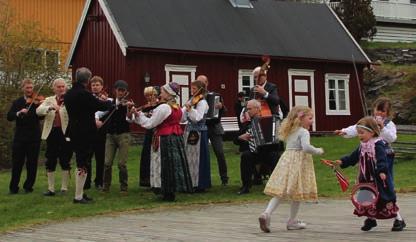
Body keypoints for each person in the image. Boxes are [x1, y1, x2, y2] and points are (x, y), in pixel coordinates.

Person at [258, 106, 324, 232]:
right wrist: (318, 150)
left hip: (286, 161)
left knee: (280, 192)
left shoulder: (290, 131)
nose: (312, 121)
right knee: (296, 193)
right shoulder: (304, 132)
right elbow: (305, 148)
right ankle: (292, 221)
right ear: (301, 118)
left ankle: (266, 213)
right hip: (298, 164)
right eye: (310, 118)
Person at [333, 117, 405, 232]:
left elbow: (382, 159)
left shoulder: (378, 144)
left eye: (362, 133)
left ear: (372, 132)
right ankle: (371, 219)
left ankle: (398, 219)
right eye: (358, 133)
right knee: (366, 198)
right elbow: (353, 157)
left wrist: (382, 171)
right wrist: (343, 161)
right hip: (366, 177)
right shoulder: (362, 145)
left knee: (384, 199)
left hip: (378, 177)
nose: (359, 136)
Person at [131, 82, 193, 201]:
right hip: (176, 138)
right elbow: (181, 119)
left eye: (163, 91)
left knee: (164, 164)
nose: (161, 93)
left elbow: (151, 123)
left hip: (165, 138)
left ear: (169, 93)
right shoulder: (176, 106)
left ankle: (166, 191)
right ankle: (171, 190)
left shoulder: (164, 107)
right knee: (173, 165)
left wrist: (138, 115)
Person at [64, 67, 112, 204]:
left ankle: (80, 193)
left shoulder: (69, 94)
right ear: (88, 80)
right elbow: (101, 106)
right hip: (84, 132)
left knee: (81, 160)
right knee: (82, 162)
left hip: (73, 130)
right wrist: (108, 101)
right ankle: (78, 196)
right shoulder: (84, 94)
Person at [36, 78, 72, 196]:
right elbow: (38, 111)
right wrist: (50, 108)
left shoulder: (70, 99)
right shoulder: (49, 100)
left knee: (65, 159)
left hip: (65, 132)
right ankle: (51, 189)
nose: (61, 89)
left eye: (63, 86)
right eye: (59, 87)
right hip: (52, 133)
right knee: (50, 159)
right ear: (54, 88)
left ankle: (64, 188)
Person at [237, 100, 280, 195]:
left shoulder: (272, 120)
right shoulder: (247, 123)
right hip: (254, 152)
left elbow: (278, 142)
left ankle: (275, 186)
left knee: (274, 156)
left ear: (257, 109)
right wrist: (240, 137)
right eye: (247, 109)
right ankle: (246, 186)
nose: (247, 111)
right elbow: (236, 139)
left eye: (249, 109)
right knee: (245, 156)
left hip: (268, 152)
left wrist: (276, 138)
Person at [7, 78, 42, 194]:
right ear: (23, 88)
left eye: (31, 88)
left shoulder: (37, 102)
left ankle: (28, 186)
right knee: (17, 163)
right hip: (20, 137)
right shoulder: (17, 102)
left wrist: (44, 109)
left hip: (34, 137)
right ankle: (13, 188)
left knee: (32, 163)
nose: (29, 90)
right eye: (27, 87)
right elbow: (9, 116)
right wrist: (19, 112)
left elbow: (41, 117)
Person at [197, 75, 229, 185]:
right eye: (199, 82)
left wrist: (221, 106)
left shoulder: (216, 96)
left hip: (214, 127)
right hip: (201, 128)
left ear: (207, 83)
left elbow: (224, 110)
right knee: (202, 154)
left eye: (203, 82)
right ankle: (202, 179)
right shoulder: (195, 97)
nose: (201, 85)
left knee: (219, 152)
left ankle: (224, 178)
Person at [102, 80, 133, 194]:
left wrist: (129, 110)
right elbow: (100, 113)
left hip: (123, 134)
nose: (120, 93)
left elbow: (130, 120)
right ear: (115, 90)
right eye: (119, 90)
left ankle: (124, 187)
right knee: (107, 162)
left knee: (121, 163)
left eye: (123, 91)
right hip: (110, 135)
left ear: (126, 92)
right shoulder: (110, 103)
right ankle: (106, 186)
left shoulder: (128, 103)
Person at [182, 80, 211, 192]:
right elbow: (183, 118)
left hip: (199, 132)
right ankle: (190, 182)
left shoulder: (202, 102)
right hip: (189, 131)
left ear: (200, 89)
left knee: (199, 159)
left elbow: (197, 118)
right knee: (189, 158)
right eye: (191, 88)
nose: (192, 90)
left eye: (194, 89)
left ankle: (200, 184)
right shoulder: (191, 100)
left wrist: (190, 110)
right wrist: (185, 111)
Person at [87, 76, 108, 190]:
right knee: (88, 157)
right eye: (93, 85)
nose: (95, 87)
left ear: (102, 86)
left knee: (100, 157)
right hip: (90, 131)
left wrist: (97, 117)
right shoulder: (88, 98)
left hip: (101, 132)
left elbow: (106, 109)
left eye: (97, 85)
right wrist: (94, 119)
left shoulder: (107, 99)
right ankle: (87, 181)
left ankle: (99, 181)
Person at [136, 86, 160, 187]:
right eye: (147, 96)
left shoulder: (160, 105)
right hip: (149, 133)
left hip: (157, 132)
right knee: (146, 156)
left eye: (150, 95)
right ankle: (147, 180)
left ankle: (156, 179)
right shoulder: (146, 106)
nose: (149, 98)